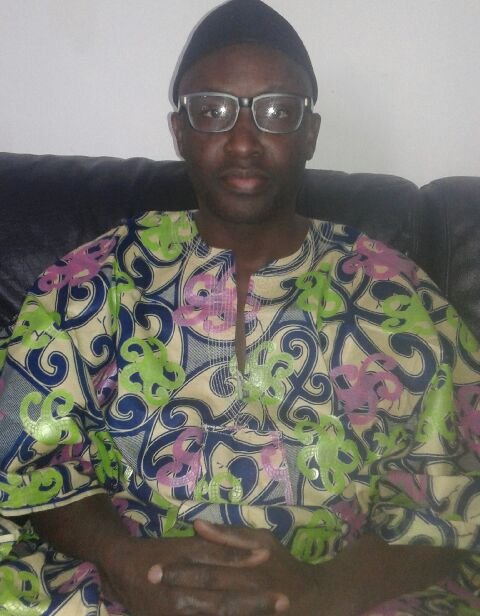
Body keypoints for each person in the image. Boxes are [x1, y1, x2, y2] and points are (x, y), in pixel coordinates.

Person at [1, 1, 480, 614]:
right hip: (122, 582)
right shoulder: (93, 281)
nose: (245, 142)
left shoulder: (397, 297)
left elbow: (450, 504)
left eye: (277, 111)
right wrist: (121, 561)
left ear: (310, 132)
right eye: (213, 111)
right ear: (180, 131)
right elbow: (28, 462)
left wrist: (319, 592)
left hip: (340, 593)